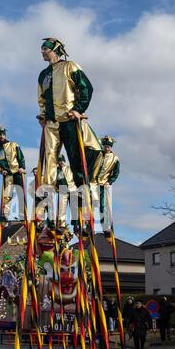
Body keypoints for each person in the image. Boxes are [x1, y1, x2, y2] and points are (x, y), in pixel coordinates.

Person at [37, 38, 102, 190]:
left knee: (75, 157)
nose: (42, 51)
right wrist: (42, 115)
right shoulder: (43, 75)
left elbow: (86, 88)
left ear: (55, 50)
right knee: (49, 156)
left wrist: (78, 109)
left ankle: (82, 192)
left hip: (69, 119)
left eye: (45, 48)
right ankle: (48, 192)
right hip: (51, 122)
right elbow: (41, 98)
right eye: (42, 48)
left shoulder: (69, 66)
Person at [0, 125, 26, 223]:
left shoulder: (13, 144)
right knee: (7, 195)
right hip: (7, 174)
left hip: (17, 172)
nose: (1, 136)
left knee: (20, 193)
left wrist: (22, 167)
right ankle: (5, 214)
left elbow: (20, 156)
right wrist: (1, 170)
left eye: (2, 134)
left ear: (5, 135)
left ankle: (22, 214)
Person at [90, 136, 120, 236]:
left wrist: (110, 181)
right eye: (105, 146)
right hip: (93, 182)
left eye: (108, 147)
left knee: (103, 206)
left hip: (103, 184)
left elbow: (116, 173)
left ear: (111, 148)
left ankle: (104, 226)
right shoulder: (98, 154)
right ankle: (90, 225)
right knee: (92, 204)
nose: (106, 148)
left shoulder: (115, 159)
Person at [56, 155, 78, 232]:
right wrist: (56, 189)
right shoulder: (56, 171)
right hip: (62, 190)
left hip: (72, 189)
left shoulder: (70, 168)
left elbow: (76, 176)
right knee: (62, 208)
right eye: (59, 161)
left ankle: (76, 224)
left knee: (74, 208)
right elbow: (54, 182)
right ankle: (62, 225)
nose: (61, 162)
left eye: (62, 160)